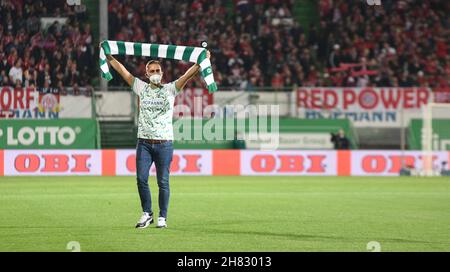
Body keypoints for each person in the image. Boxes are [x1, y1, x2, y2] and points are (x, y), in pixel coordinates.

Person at [103, 45, 211, 229]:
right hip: (144, 143)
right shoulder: (141, 87)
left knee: (163, 182)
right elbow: (123, 71)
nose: (154, 73)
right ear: (146, 74)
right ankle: (147, 213)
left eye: (157, 70)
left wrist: (202, 60)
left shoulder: (170, 89)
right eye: (151, 70)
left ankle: (163, 216)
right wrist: (109, 57)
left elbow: (187, 75)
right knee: (141, 179)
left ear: (162, 73)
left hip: (164, 143)